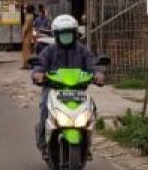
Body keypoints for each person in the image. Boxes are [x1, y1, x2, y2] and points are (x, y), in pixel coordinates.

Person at [31, 14, 104, 151]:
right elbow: (40, 64)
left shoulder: (82, 50)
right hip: (53, 89)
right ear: (56, 35)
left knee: (91, 110)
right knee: (45, 108)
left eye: (69, 33)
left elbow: (92, 64)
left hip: (77, 90)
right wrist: (38, 74)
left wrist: (97, 74)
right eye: (62, 33)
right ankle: (43, 140)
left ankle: (86, 141)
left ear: (75, 34)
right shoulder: (49, 50)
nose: (66, 36)